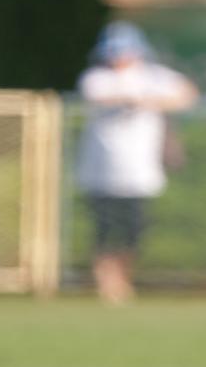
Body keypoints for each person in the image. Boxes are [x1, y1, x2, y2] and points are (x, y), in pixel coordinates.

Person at [74, 21, 198, 304]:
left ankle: (123, 279)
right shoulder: (96, 78)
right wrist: (141, 97)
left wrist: (152, 99)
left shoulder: (153, 76)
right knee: (103, 227)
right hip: (101, 169)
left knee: (134, 229)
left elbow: (187, 94)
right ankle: (105, 282)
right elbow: (103, 96)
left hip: (140, 169)